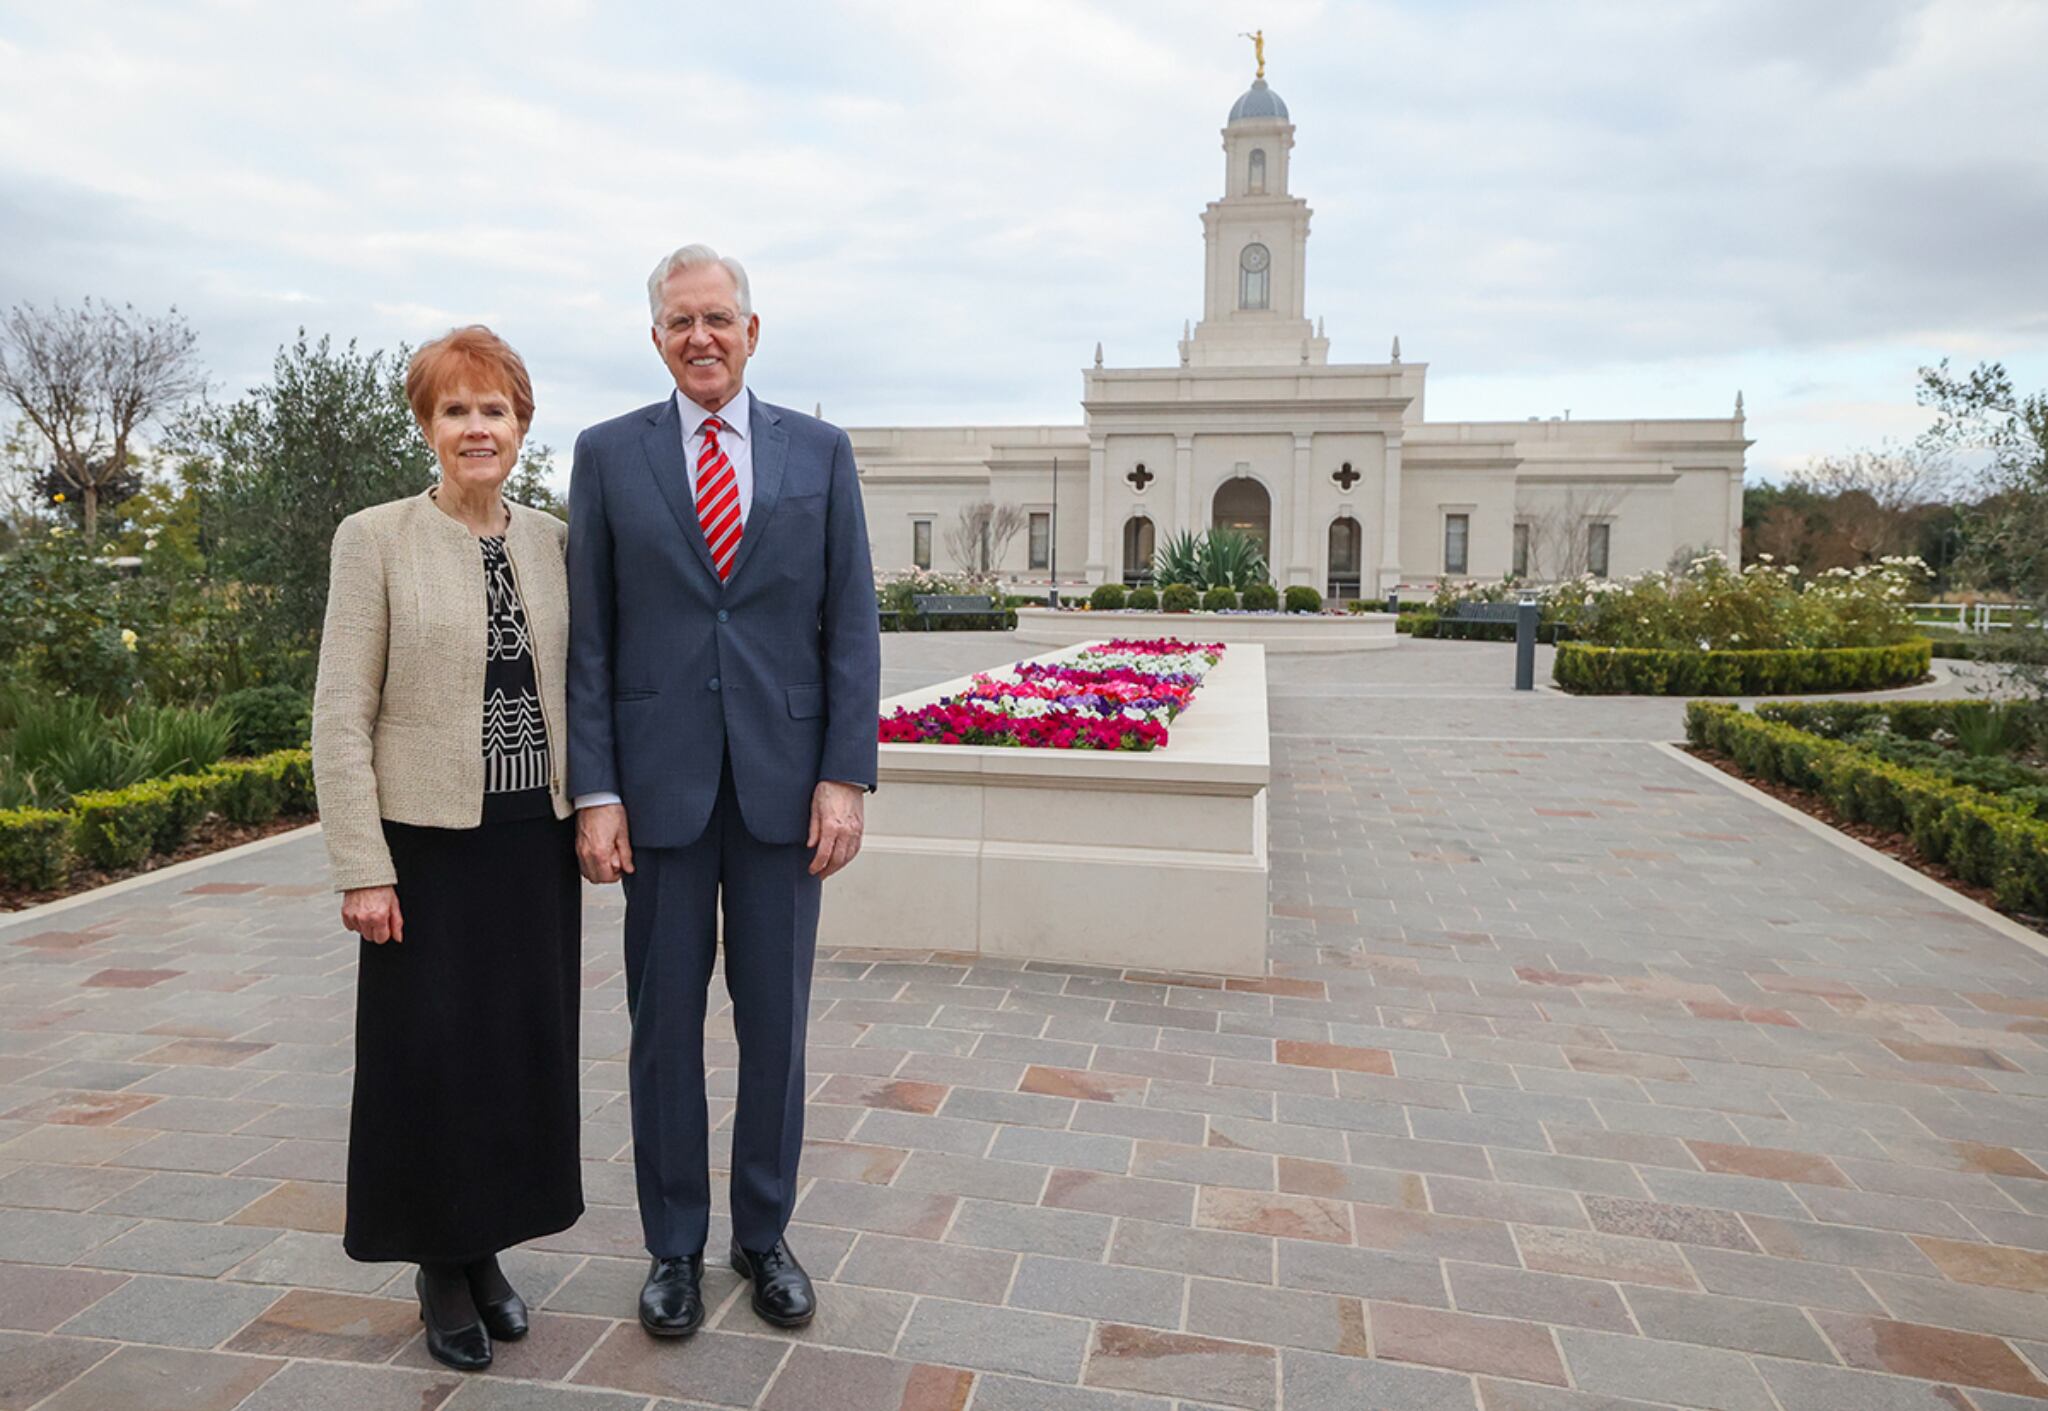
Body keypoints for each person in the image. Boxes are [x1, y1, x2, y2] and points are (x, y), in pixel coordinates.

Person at [567, 244, 879, 1338]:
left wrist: (843, 777)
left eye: (718, 318)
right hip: (654, 798)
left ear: (754, 330)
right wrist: (594, 790)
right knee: (663, 1031)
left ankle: (761, 1234)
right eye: (678, 321)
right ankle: (671, 1249)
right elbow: (591, 644)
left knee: (776, 1027)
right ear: (654, 337)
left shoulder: (820, 452)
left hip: (786, 796)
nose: (700, 337)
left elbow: (850, 627)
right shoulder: (607, 456)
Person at [312, 326, 582, 1372]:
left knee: (511, 1060)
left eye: (496, 410)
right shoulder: (373, 538)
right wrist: (361, 863)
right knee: (428, 1064)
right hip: (423, 850)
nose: (478, 428)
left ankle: (485, 1251)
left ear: (521, 426)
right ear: (427, 426)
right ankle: (439, 1264)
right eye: (456, 410)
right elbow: (340, 711)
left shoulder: (552, 539)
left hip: (530, 843)